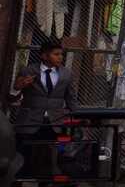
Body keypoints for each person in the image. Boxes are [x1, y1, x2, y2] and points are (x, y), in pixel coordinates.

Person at [9, 40, 77, 180]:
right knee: (23, 156)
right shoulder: (28, 71)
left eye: (61, 54)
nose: (60, 57)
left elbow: (71, 99)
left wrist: (76, 115)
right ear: (44, 56)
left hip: (56, 123)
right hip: (30, 122)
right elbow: (11, 98)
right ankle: (20, 180)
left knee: (57, 156)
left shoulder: (66, 74)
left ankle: (49, 180)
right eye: (56, 54)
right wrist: (17, 87)